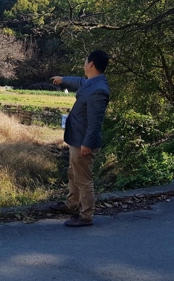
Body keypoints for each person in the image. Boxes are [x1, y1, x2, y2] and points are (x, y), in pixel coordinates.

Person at [50, 50, 110, 227]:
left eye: (85, 61)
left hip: (84, 142)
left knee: (83, 179)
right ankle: (71, 204)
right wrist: (63, 79)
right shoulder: (92, 82)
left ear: (91, 64)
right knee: (72, 173)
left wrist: (87, 143)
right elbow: (79, 81)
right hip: (77, 138)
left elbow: (95, 121)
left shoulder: (99, 90)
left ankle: (86, 215)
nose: (84, 64)